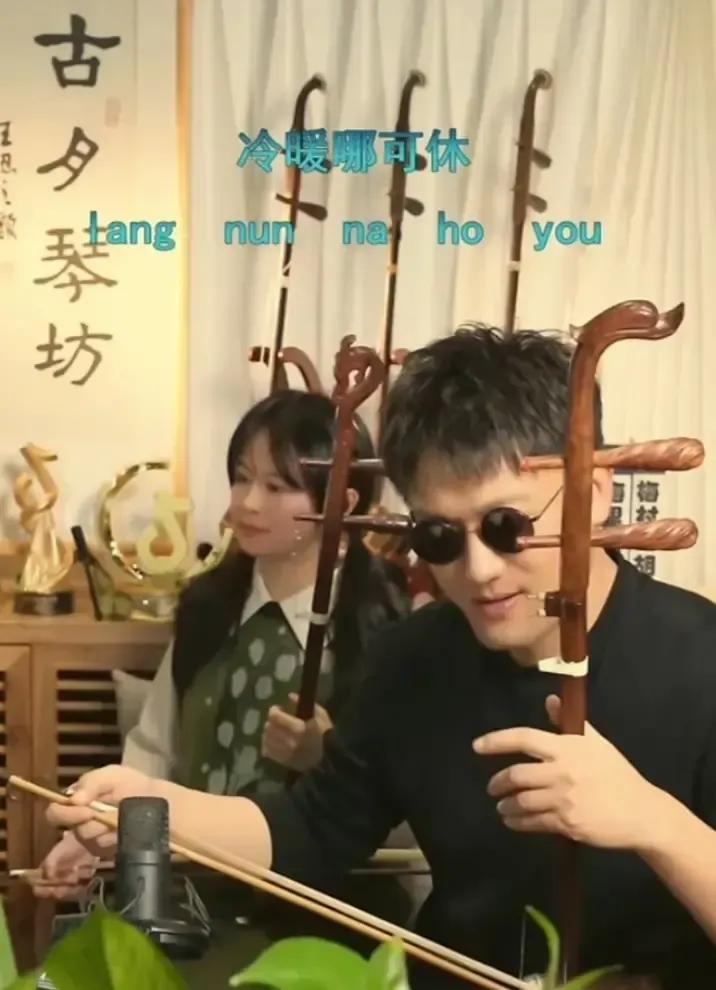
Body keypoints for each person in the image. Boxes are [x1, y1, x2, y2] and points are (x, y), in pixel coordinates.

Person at [44, 328, 716, 989]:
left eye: (507, 527)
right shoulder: (413, 659)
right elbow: (311, 830)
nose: (479, 570)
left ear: (594, 492)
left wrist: (651, 820)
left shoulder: (700, 658)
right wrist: (156, 807)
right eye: (440, 536)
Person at [35, 389, 413, 905]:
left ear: (341, 503)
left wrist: (323, 753)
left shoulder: (383, 625)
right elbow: (155, 748)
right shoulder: (208, 606)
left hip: (328, 904)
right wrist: (90, 836)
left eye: (277, 486)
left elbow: (404, 807)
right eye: (241, 477)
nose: (247, 503)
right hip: (190, 892)